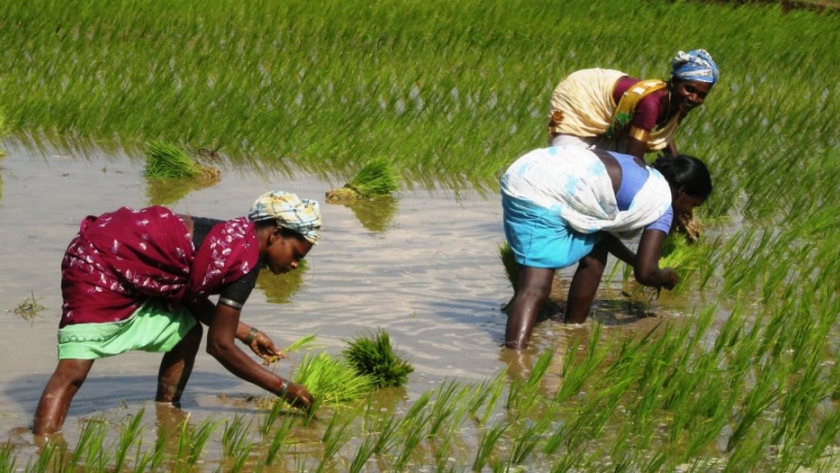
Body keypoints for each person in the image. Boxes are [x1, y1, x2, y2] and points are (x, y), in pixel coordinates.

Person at [33, 190, 321, 436]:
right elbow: (220, 346)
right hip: (99, 261)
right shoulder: (244, 261)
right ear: (276, 234)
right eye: (296, 253)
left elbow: (189, 295)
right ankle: (43, 445)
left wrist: (248, 333)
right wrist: (283, 388)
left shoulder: (234, 237)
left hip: (122, 263)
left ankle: (166, 410)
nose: (295, 264)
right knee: (73, 370)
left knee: (186, 332)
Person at [501, 145, 712, 349]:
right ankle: (516, 363)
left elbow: (601, 235)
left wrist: (634, 259)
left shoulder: (640, 170)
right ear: (682, 192)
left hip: (531, 168)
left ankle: (573, 326)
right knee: (535, 288)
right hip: (539, 190)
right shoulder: (662, 202)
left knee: (595, 251)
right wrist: (669, 276)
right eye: (692, 205)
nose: (688, 213)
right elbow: (645, 273)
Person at [547, 49, 719, 161]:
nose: (694, 98)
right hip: (582, 93)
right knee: (567, 159)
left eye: (701, 95)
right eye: (689, 89)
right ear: (673, 82)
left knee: (611, 158)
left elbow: (665, 136)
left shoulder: (678, 103)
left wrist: (678, 167)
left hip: (610, 102)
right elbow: (633, 161)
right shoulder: (651, 103)